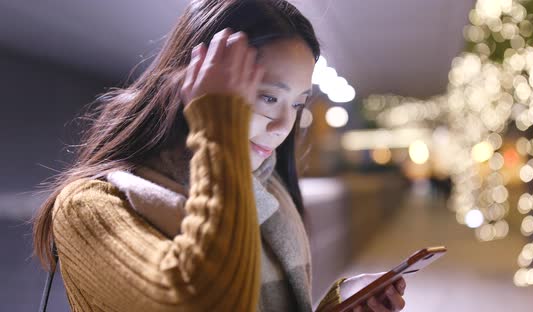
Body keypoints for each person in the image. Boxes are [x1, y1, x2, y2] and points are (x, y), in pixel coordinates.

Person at [32, 0, 406, 311]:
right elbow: (207, 300)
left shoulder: (268, 191)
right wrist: (218, 123)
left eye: (296, 103)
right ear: (195, 86)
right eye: (267, 97)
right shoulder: (90, 205)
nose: (282, 126)